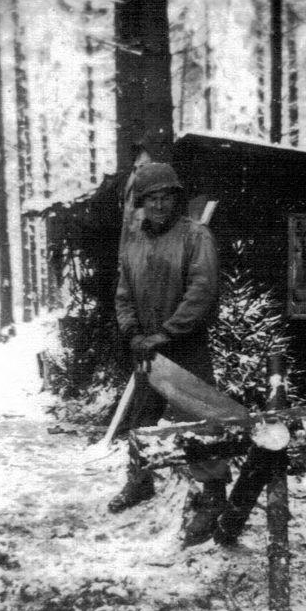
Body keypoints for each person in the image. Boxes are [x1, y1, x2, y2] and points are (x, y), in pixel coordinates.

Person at [108, 161, 230, 546]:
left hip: (185, 346)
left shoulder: (196, 236)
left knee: (201, 421)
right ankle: (140, 481)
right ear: (142, 203)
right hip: (146, 347)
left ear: (176, 199)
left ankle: (213, 497)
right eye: (151, 199)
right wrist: (133, 332)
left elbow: (202, 292)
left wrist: (166, 333)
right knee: (141, 417)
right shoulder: (134, 240)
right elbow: (124, 293)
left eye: (165, 198)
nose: (159, 206)